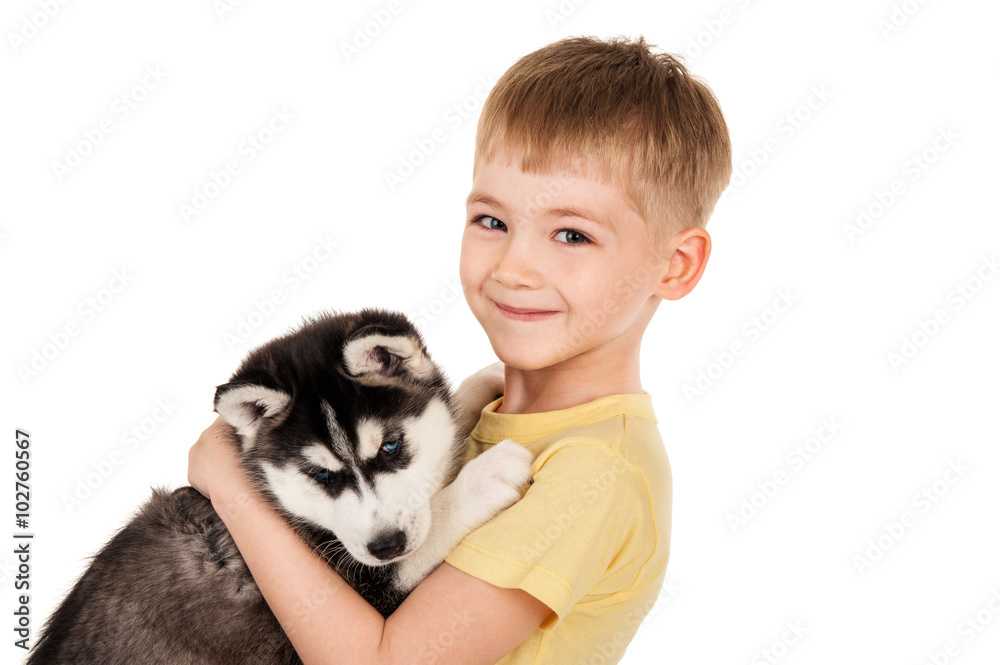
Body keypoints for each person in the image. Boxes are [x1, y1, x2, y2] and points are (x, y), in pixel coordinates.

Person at [188, 34, 731, 664]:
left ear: (677, 264)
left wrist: (234, 486)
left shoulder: (593, 473)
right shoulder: (489, 411)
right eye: (493, 221)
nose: (515, 267)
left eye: (572, 234)